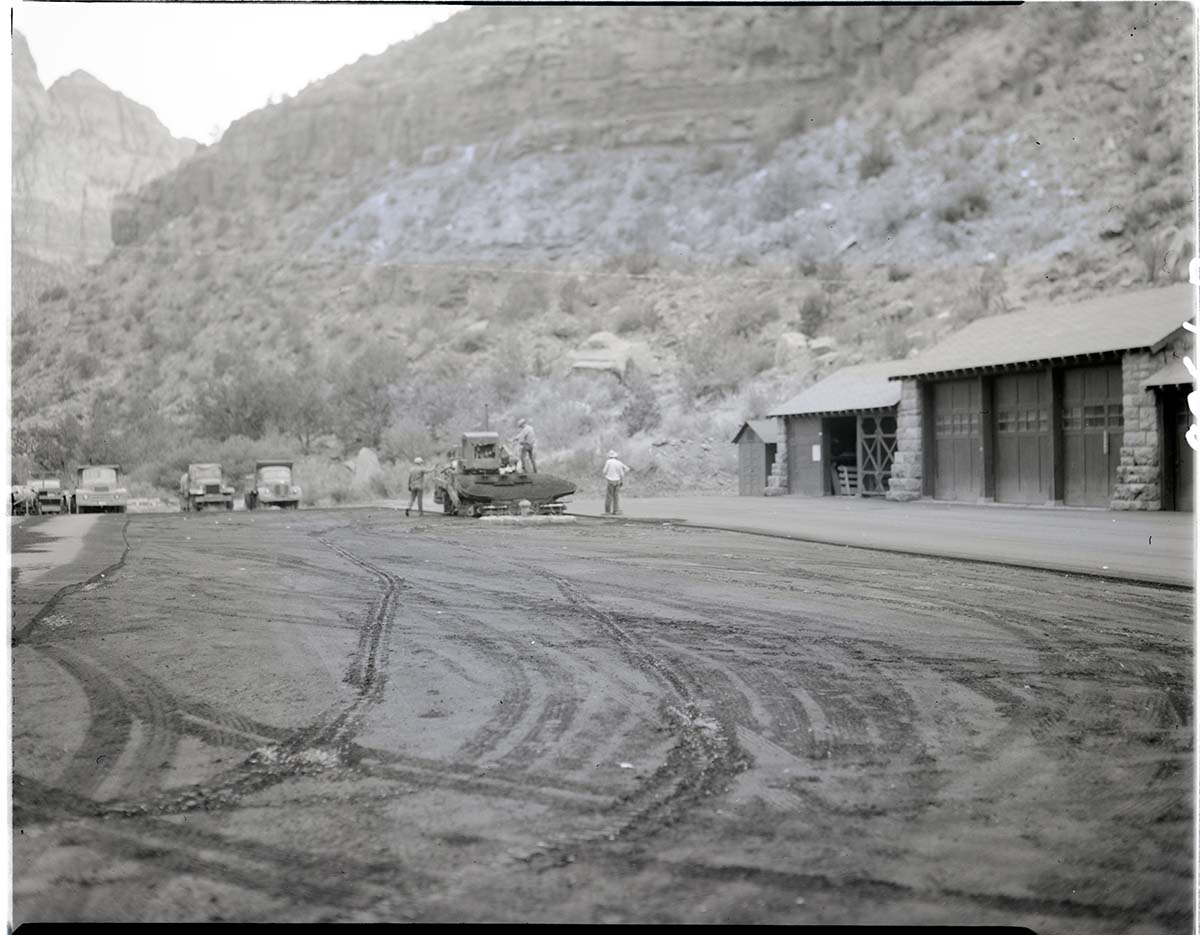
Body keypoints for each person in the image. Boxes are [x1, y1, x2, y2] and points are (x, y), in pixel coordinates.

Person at [602, 450, 631, 515]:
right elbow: (626, 470)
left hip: (610, 481)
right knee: (616, 496)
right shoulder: (619, 463)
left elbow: (604, 471)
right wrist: (621, 480)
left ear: (609, 456)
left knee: (609, 496)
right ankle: (616, 510)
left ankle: (608, 511)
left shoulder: (608, 462)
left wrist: (607, 475)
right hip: (618, 481)